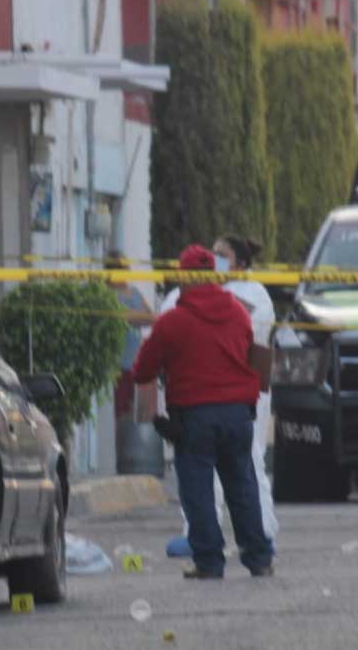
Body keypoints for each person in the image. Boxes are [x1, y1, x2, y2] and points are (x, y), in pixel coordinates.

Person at [132, 244, 274, 579]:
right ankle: (259, 559)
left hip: (195, 418)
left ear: (183, 277)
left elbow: (142, 370)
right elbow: (253, 353)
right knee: (243, 487)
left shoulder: (172, 321)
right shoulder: (239, 313)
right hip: (239, 415)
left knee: (198, 491)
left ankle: (209, 562)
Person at [106, 251, 154, 423]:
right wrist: (139, 317)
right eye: (122, 268)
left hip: (134, 362)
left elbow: (149, 316)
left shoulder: (133, 291)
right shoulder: (107, 294)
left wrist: (139, 317)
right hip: (117, 364)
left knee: (132, 409)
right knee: (118, 411)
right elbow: (125, 317)